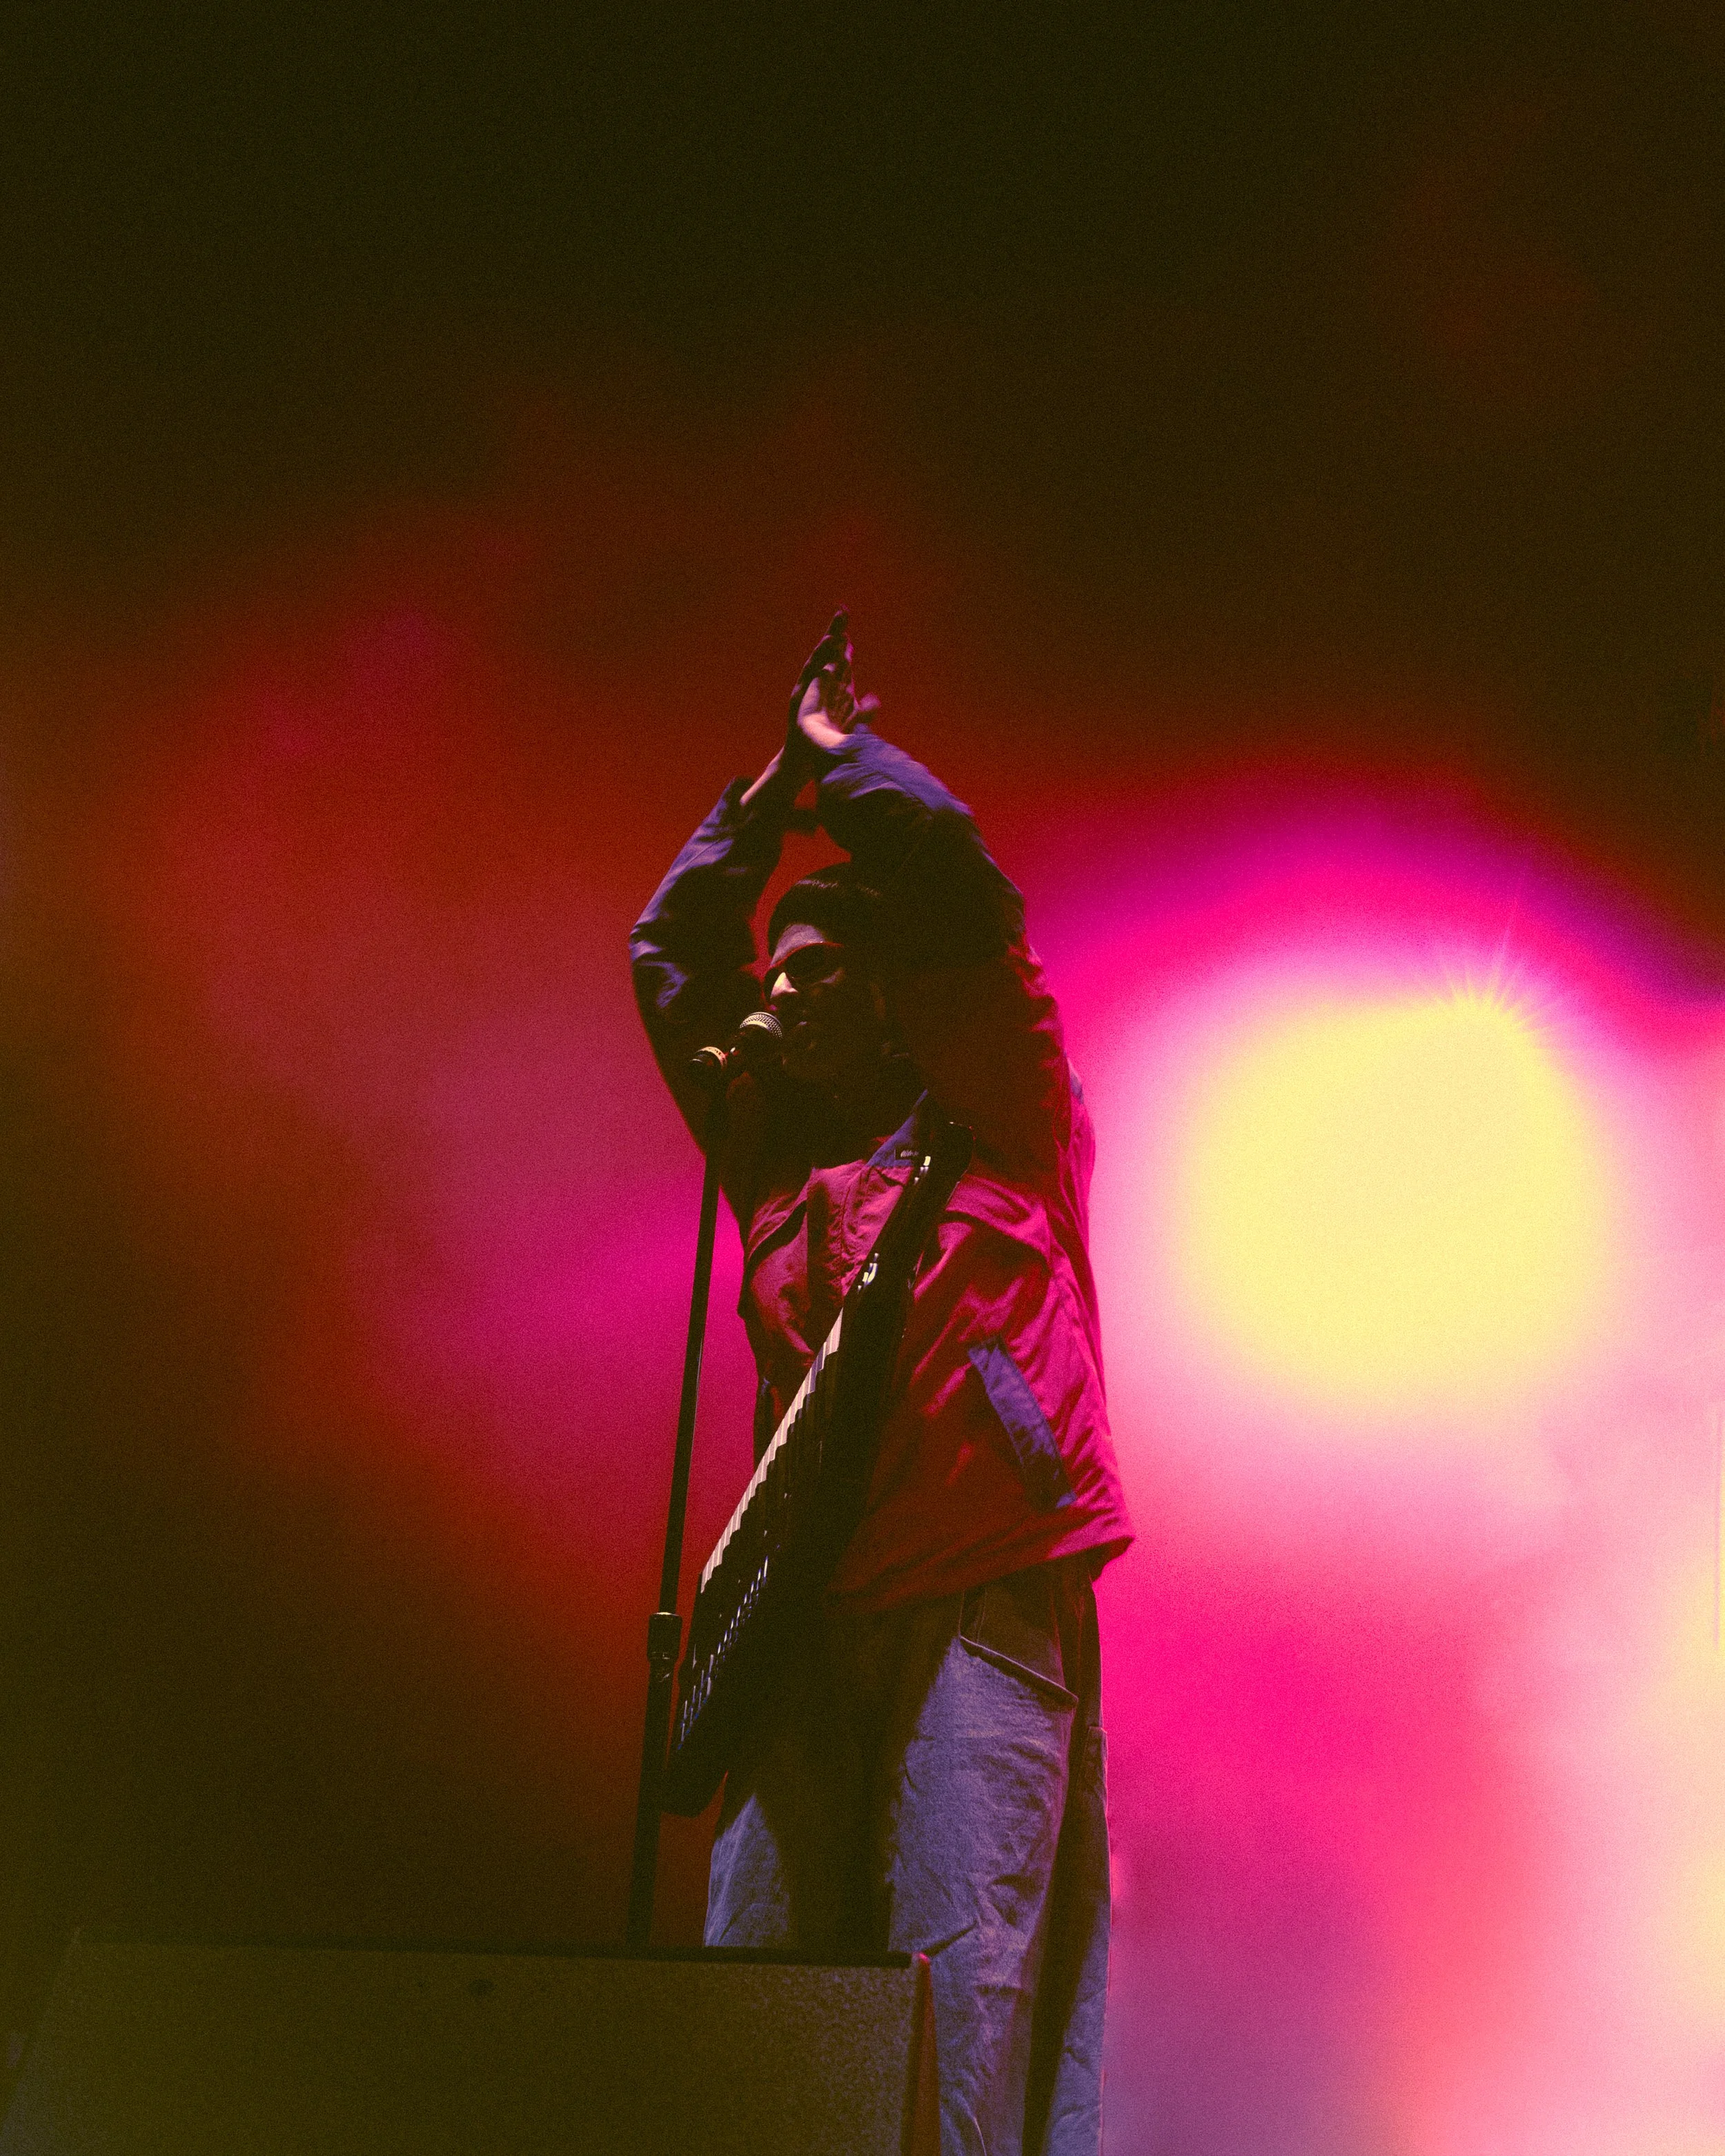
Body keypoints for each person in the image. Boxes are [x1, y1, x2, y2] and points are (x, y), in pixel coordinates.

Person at [630, 613, 1134, 2156]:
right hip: (803, 1615)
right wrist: (756, 801)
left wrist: (844, 767)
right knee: (764, 2004)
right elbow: (667, 964)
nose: (767, 1007)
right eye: (769, 983)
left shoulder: (1001, 1104)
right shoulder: (779, 1161)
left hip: (972, 1595)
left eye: (809, 976)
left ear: (893, 998)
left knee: (951, 1993)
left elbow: (953, 897)